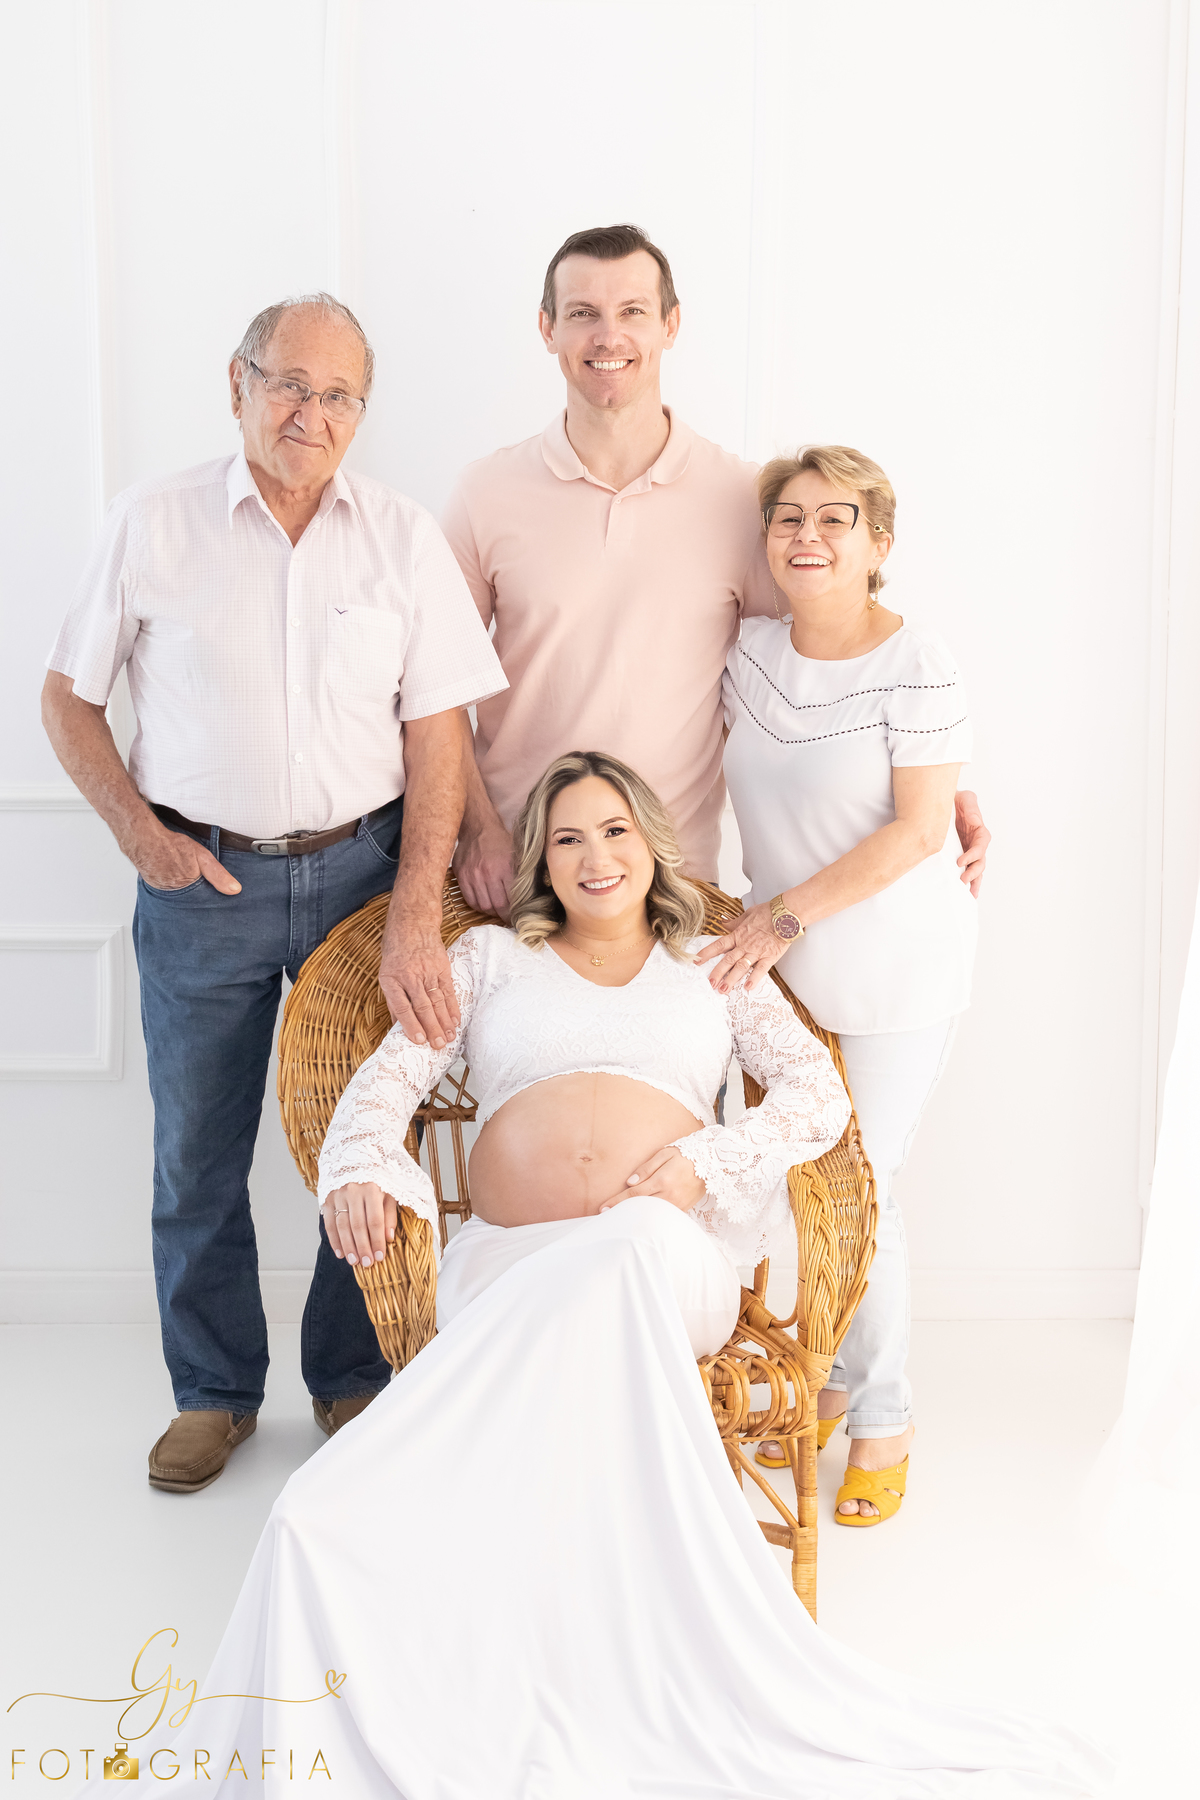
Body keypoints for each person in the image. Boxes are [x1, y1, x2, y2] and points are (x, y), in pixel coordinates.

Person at [69, 755, 1105, 1797]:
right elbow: (385, 1089)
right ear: (540, 863)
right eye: (567, 838)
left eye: (613, 831)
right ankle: (348, 1529)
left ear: (651, 843)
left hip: (670, 1265)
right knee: (307, 1521)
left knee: (629, 1243)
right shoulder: (490, 967)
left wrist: (705, 1163)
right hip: (509, 1267)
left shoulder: (710, 959)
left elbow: (815, 1097)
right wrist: (356, 1164)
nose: (593, 856)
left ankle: (412, 1472)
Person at [41, 292, 505, 1491]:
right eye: (289, 383)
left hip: (363, 875)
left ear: (362, 412)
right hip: (203, 882)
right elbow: (67, 697)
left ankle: (349, 1378)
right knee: (197, 1150)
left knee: (364, 1137)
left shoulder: (400, 537)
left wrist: (413, 909)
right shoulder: (153, 524)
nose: (311, 412)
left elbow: (441, 737)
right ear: (236, 382)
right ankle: (212, 1393)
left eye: (338, 394)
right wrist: (142, 838)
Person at [442, 223, 991, 911]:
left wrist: (930, 780)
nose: (609, 337)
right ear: (548, 328)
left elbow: (823, 665)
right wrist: (477, 827)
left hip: (675, 884)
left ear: (671, 325)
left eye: (634, 312)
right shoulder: (483, 494)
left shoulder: (743, 499)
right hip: (515, 874)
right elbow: (432, 693)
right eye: (583, 313)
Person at [703, 444, 976, 1525]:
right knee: (798, 1191)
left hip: (895, 970)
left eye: (836, 519)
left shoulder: (920, 662)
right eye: (788, 520)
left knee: (863, 1192)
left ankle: (884, 1417)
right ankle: (822, 1376)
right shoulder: (750, 651)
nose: (808, 537)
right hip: (784, 974)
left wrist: (778, 915)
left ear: (879, 544)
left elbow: (918, 827)